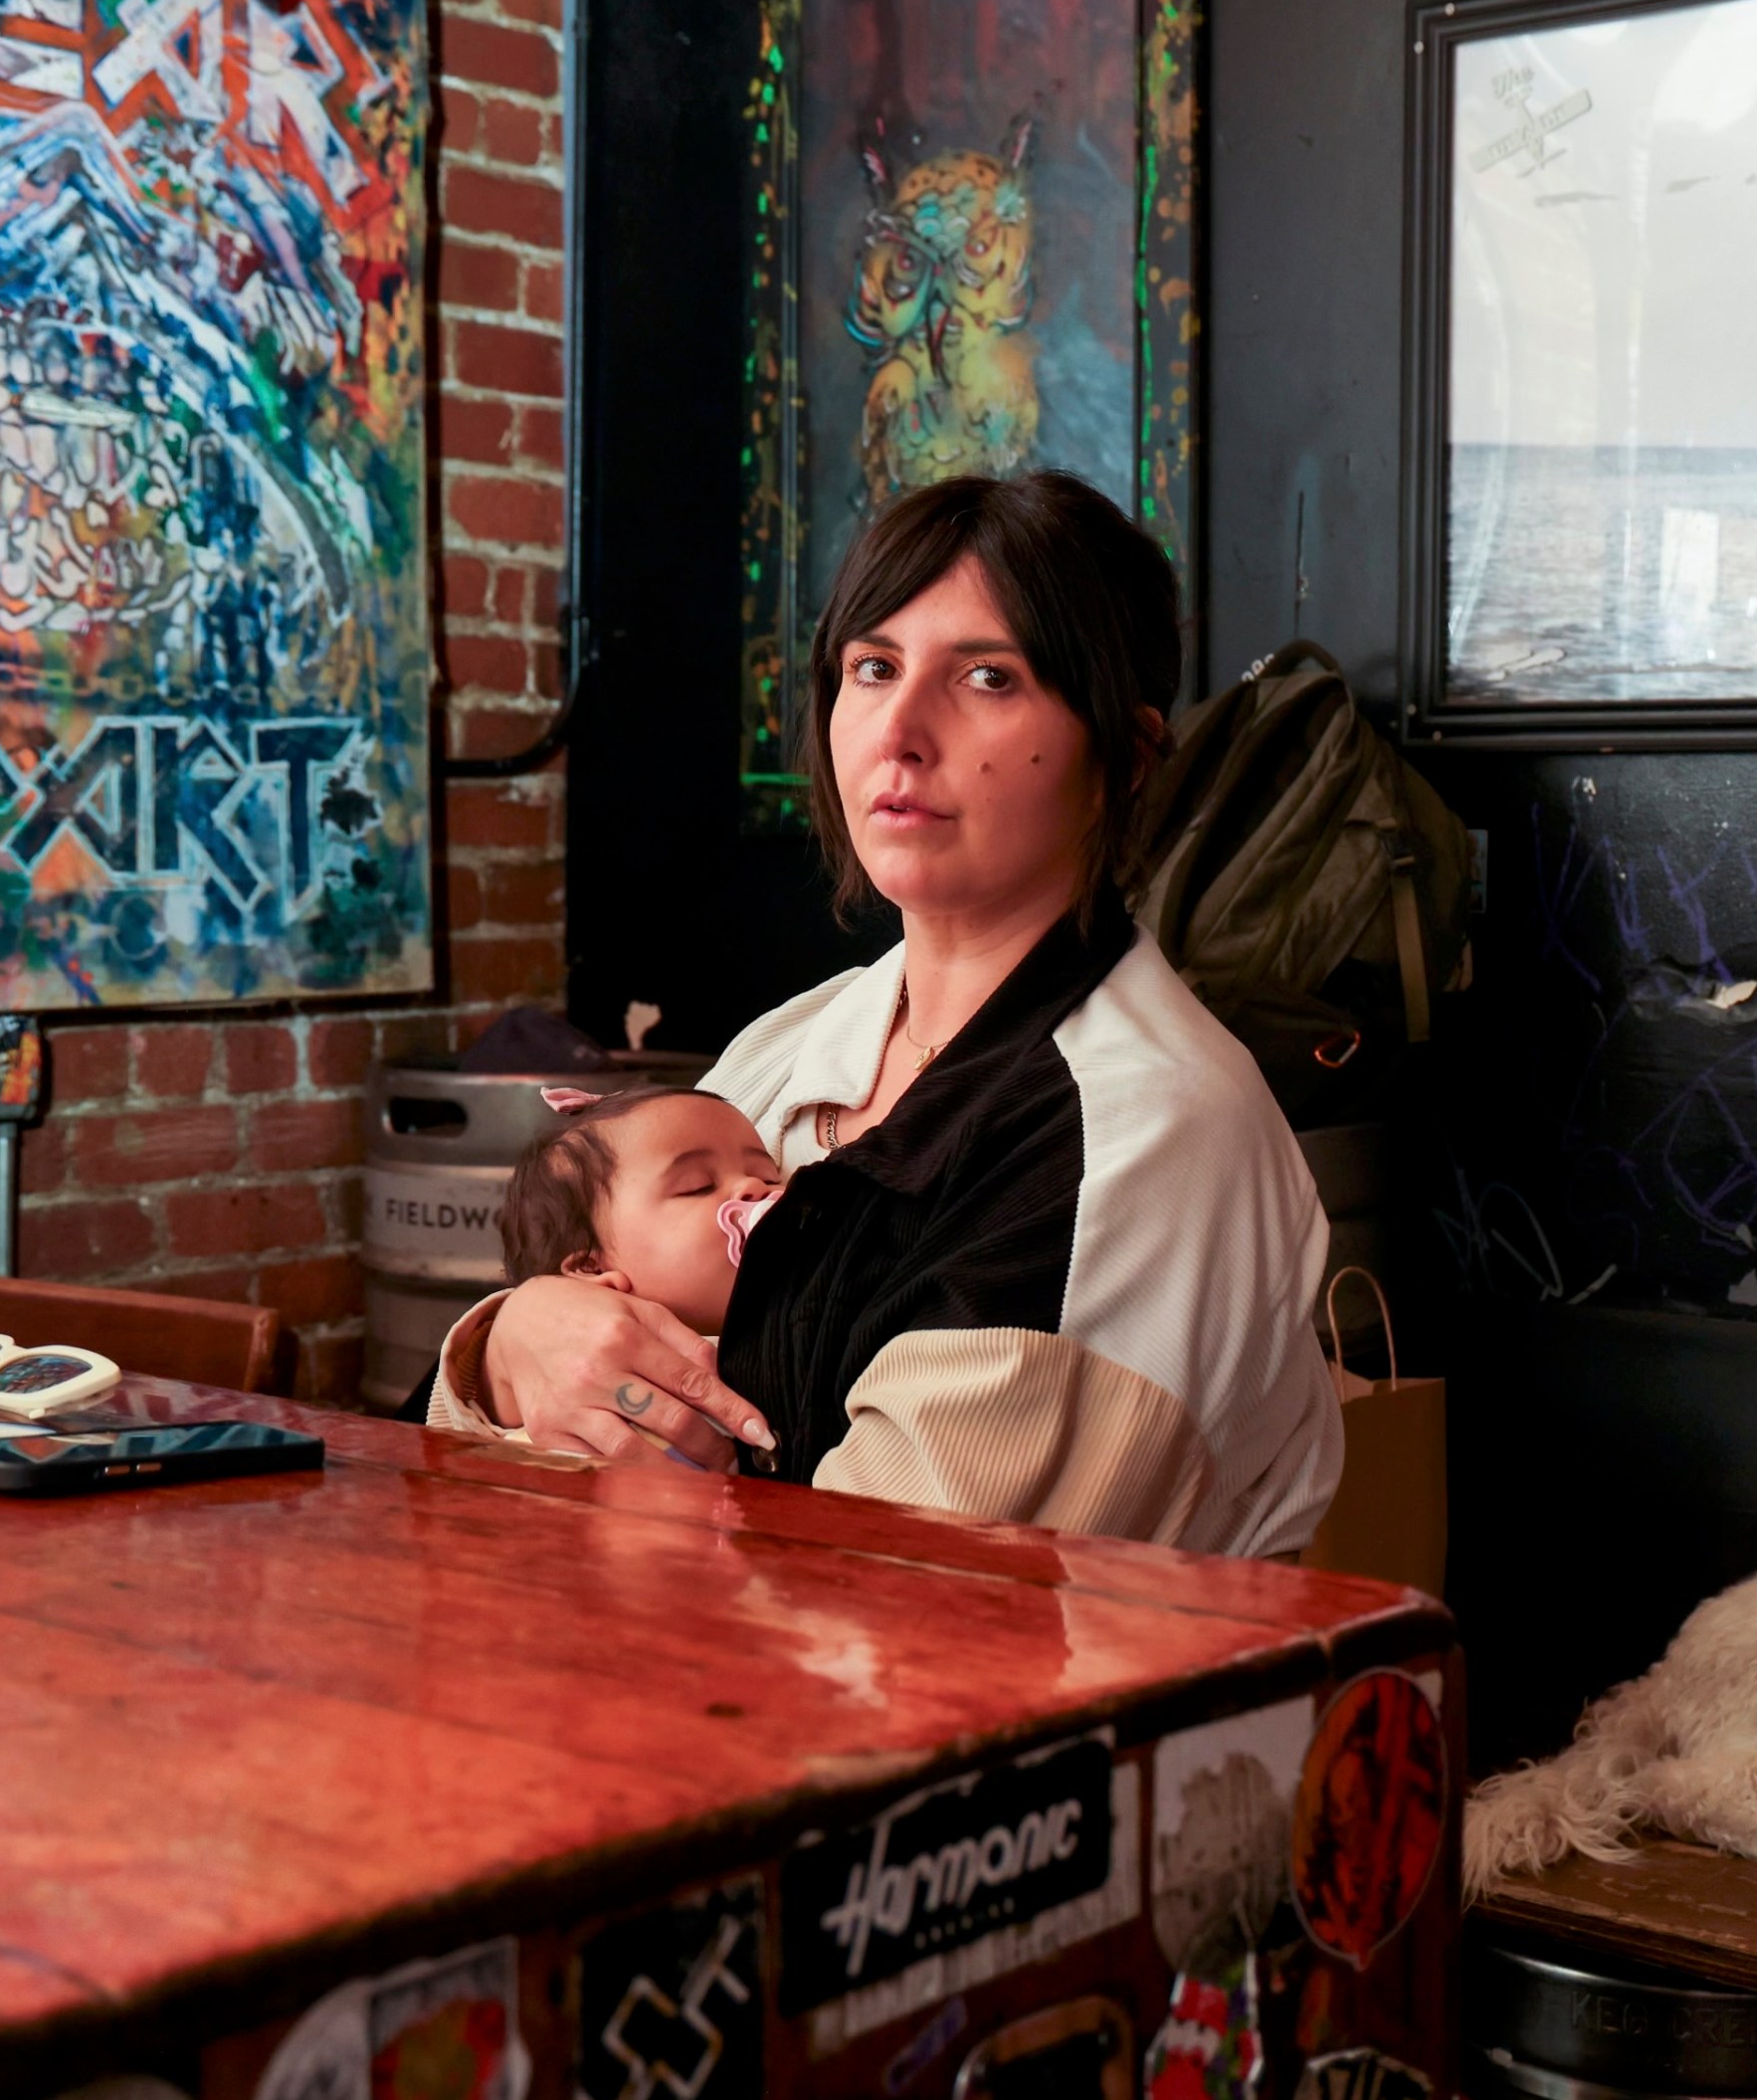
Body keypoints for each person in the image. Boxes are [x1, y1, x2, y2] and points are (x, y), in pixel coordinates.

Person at [427, 472, 1345, 1556]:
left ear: (1125, 758)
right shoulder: (794, 1048)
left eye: (989, 678)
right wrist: (508, 1342)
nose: (900, 730)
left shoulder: (1140, 1131)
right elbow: (472, 1479)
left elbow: (892, 1591)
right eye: (873, 666)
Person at [493, 1084, 785, 1339]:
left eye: (769, 1175)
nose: (753, 1185)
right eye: (698, 1187)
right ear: (594, 1267)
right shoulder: (590, 1389)